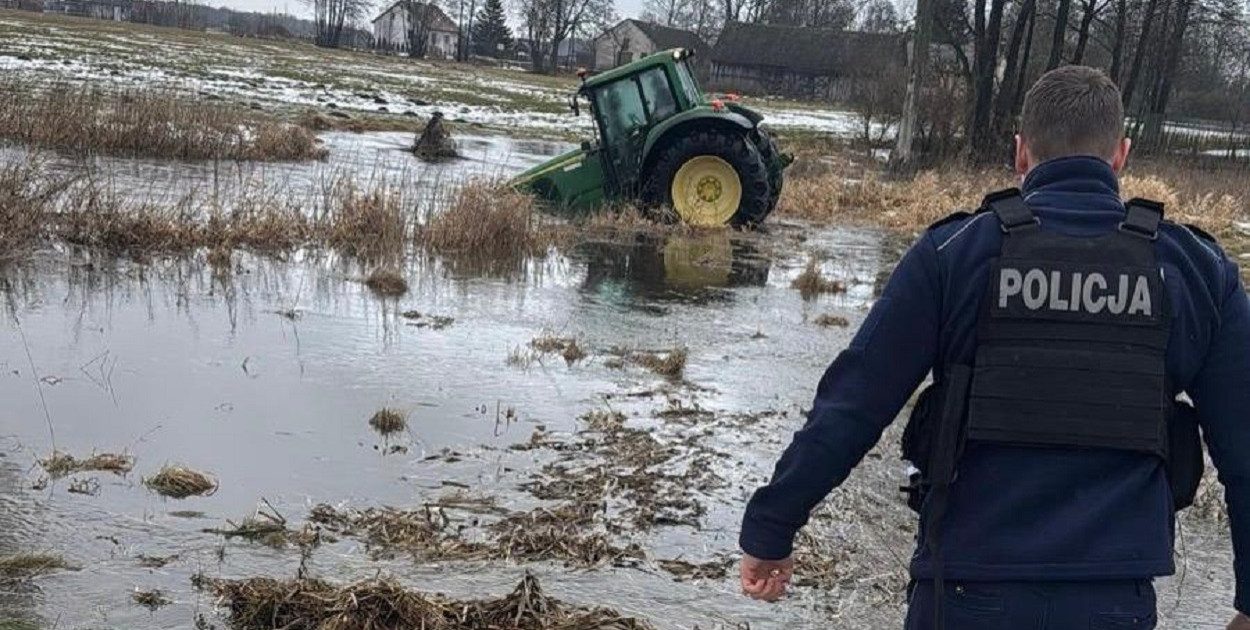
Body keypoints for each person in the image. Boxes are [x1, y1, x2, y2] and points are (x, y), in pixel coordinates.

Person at [738, 65, 1250, 630]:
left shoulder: (954, 253)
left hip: (963, 594)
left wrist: (773, 525)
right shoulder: (1196, 269)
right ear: (1121, 155)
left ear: (1021, 154)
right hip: (1113, 603)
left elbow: (854, 405)